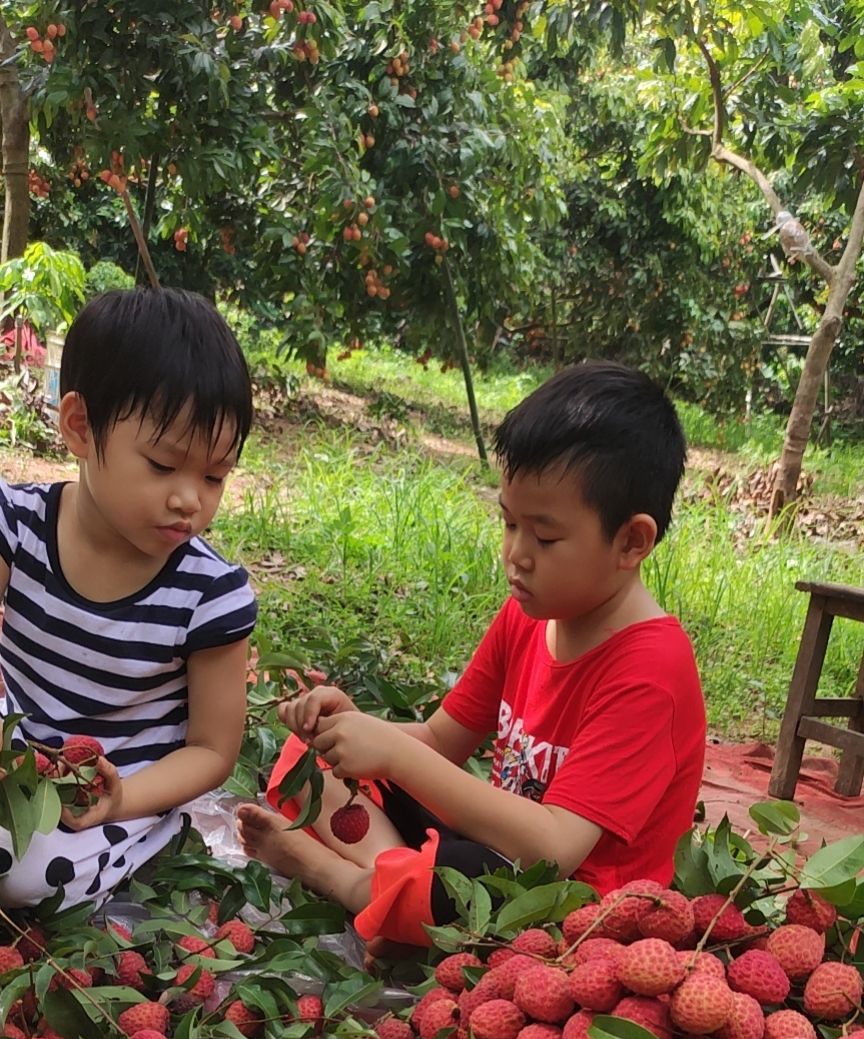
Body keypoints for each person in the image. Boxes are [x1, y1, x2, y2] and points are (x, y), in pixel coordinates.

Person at [238, 360, 706, 949]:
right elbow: (439, 742)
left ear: (631, 542)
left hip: (564, 906)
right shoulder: (526, 617)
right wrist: (356, 730)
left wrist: (396, 758)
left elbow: (557, 851)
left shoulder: (649, 670)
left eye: (546, 536)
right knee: (310, 757)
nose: (517, 554)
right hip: (500, 845)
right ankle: (392, 881)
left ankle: (341, 878)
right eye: (509, 524)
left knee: (464, 876)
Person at [0, 286, 256, 911]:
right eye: (164, 466)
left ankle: (152, 838)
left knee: (27, 878)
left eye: (215, 475)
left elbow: (212, 749)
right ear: (80, 427)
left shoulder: (209, 595)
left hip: (115, 792)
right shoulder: (15, 528)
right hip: (14, 755)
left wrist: (123, 798)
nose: (190, 498)